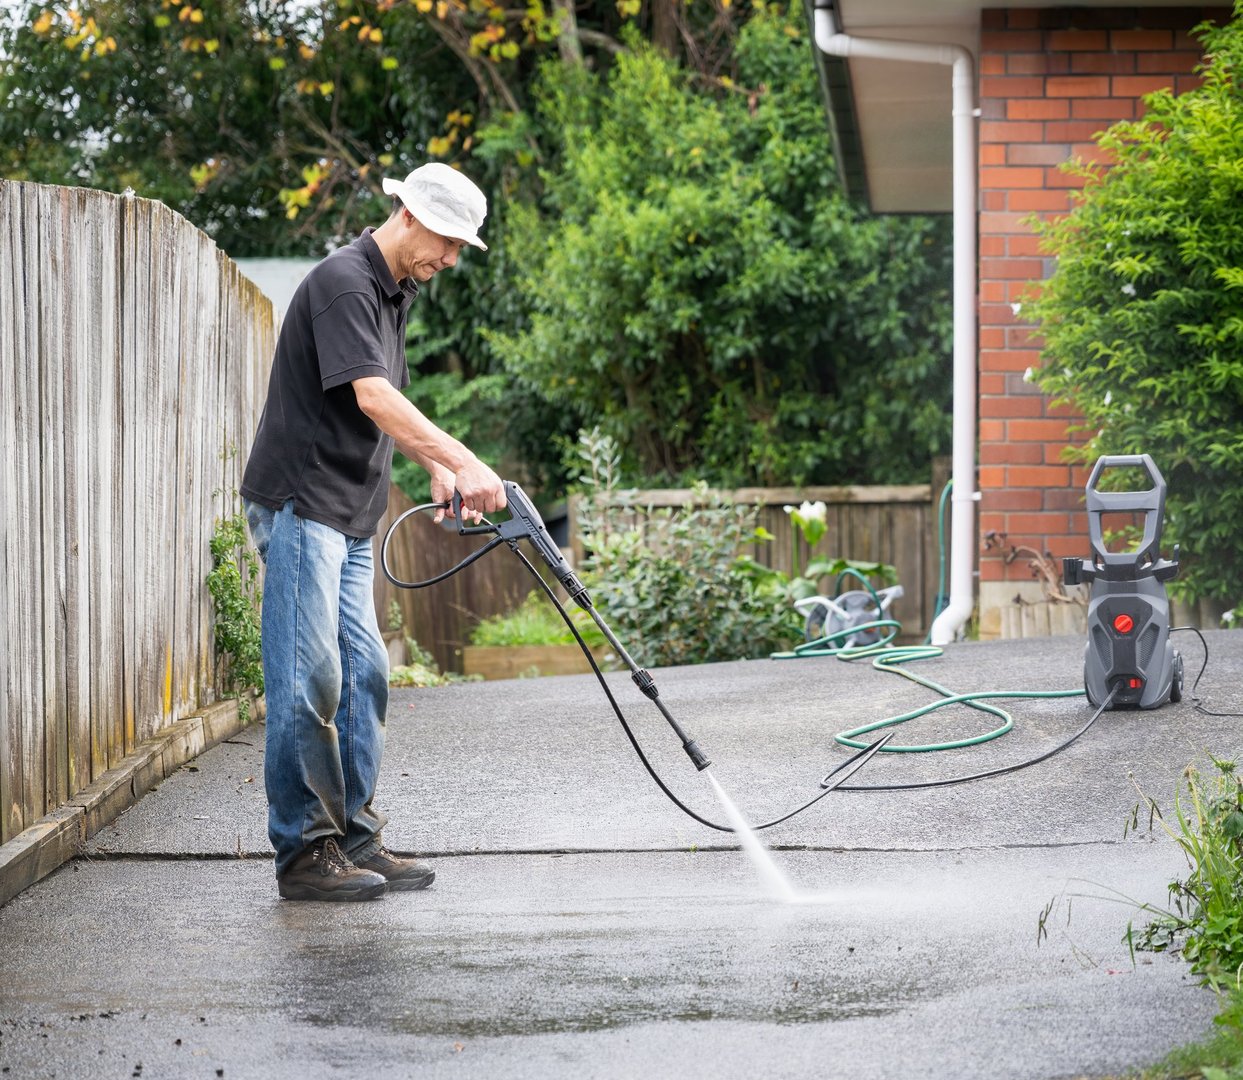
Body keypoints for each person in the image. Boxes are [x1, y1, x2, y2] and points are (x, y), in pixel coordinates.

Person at [240, 163, 506, 902]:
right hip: (303, 504)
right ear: (410, 215)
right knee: (310, 677)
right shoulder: (344, 281)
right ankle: (304, 852)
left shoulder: (395, 291)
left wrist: (436, 471)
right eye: (448, 241)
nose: (451, 258)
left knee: (365, 675)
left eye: (459, 247)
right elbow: (372, 393)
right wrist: (462, 457)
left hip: (353, 512)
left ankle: (353, 835)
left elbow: (384, 400)